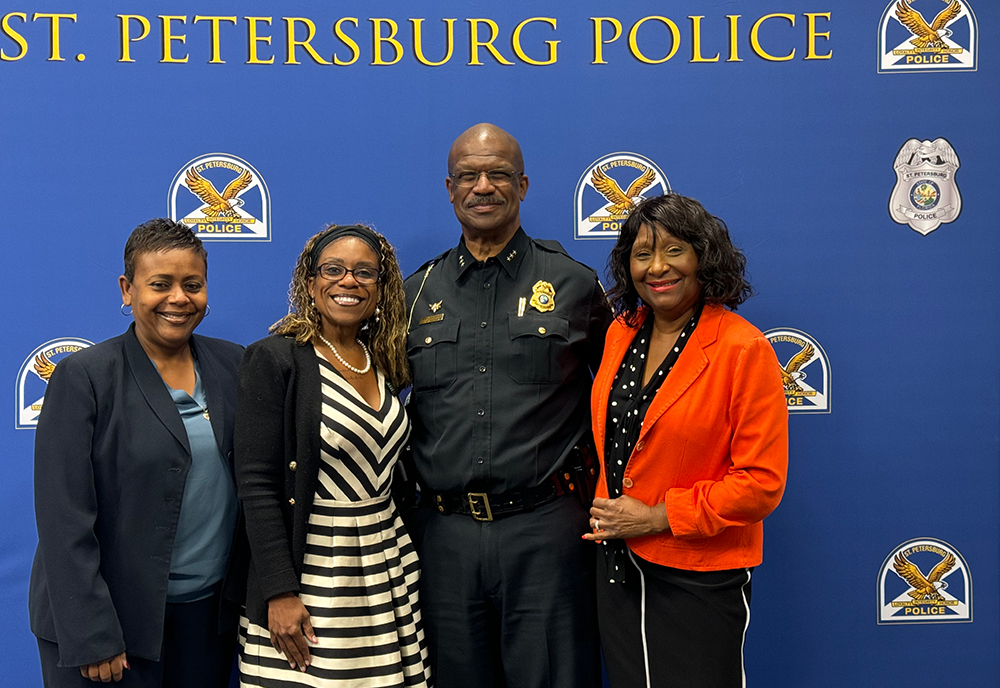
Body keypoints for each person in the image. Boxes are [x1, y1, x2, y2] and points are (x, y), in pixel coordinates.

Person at [403, 123, 612, 687]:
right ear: (450, 189)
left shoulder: (572, 283)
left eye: (497, 174)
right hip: (443, 537)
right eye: (469, 175)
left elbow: (620, 398)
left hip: (545, 530)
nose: (483, 186)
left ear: (522, 184)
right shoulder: (415, 293)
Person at [584, 193, 788, 687]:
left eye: (674, 250)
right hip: (617, 567)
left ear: (704, 257)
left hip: (698, 572)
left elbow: (761, 483)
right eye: (642, 253)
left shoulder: (743, 348)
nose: (657, 267)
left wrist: (656, 516)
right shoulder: (621, 332)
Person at [29, 218, 244, 687]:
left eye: (193, 284)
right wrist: (92, 633)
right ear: (128, 290)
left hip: (206, 622)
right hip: (110, 627)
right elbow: (63, 518)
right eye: (159, 284)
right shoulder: (84, 377)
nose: (178, 298)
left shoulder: (235, 364)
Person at [234, 224, 431, 688]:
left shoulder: (383, 361)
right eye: (333, 270)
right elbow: (257, 485)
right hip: (311, 572)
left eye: (365, 272)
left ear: (381, 290)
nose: (348, 282)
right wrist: (278, 593)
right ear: (310, 283)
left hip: (386, 566)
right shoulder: (276, 358)